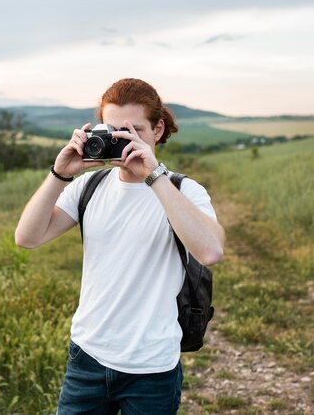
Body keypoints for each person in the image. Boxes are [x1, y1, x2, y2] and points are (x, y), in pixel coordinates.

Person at [14, 78, 225, 414]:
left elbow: (211, 252)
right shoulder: (89, 186)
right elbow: (27, 238)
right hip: (87, 356)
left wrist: (153, 176)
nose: (122, 140)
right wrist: (60, 173)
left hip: (152, 367)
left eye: (133, 130)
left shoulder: (184, 191)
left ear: (157, 130)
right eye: (112, 131)